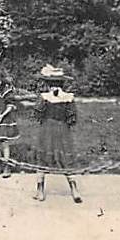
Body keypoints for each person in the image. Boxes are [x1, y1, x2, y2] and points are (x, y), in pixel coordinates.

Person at [32, 65, 82, 204]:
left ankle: (40, 190)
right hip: (63, 129)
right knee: (66, 157)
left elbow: (37, 113)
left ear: (47, 83)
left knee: (42, 158)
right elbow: (72, 117)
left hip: (47, 129)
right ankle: (74, 190)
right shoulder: (68, 98)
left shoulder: (44, 97)